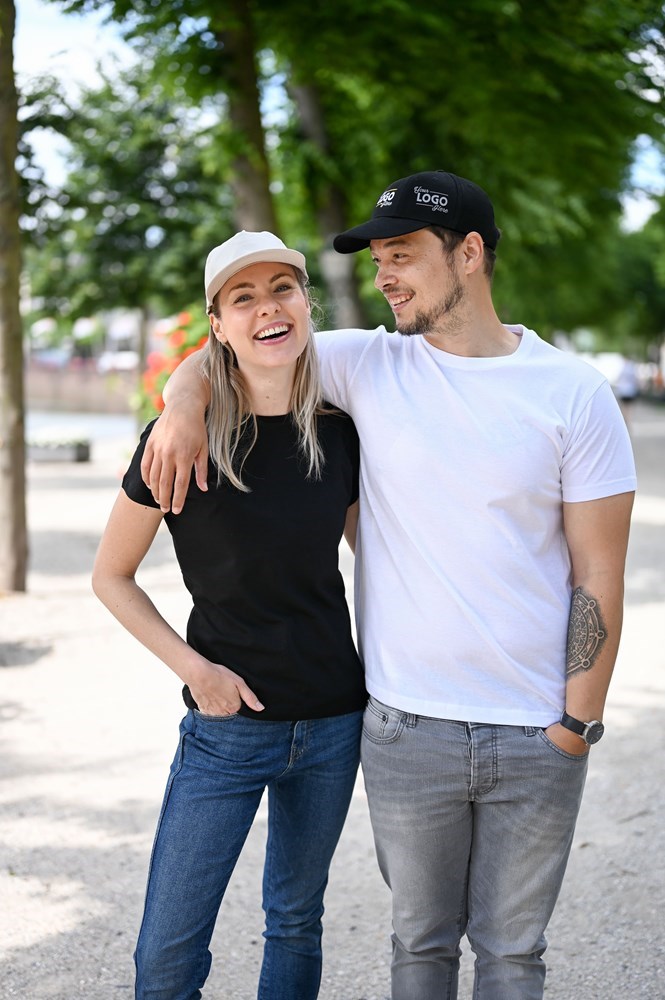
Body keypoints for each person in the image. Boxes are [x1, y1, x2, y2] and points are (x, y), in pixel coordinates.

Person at [139, 171, 636, 1000]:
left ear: (468, 253)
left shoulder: (573, 392)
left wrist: (575, 725)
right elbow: (236, 342)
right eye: (376, 261)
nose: (384, 277)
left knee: (514, 956)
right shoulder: (366, 363)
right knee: (418, 946)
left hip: (534, 728)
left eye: (401, 255)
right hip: (405, 726)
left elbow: (599, 571)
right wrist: (182, 405)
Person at [92, 230, 366, 1000]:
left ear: (305, 304)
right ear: (217, 325)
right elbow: (111, 576)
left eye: (282, 289)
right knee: (166, 955)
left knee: (296, 921)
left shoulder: (340, 433)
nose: (267, 308)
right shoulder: (178, 441)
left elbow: (383, 561)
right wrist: (195, 671)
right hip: (226, 729)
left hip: (333, 722)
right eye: (242, 298)